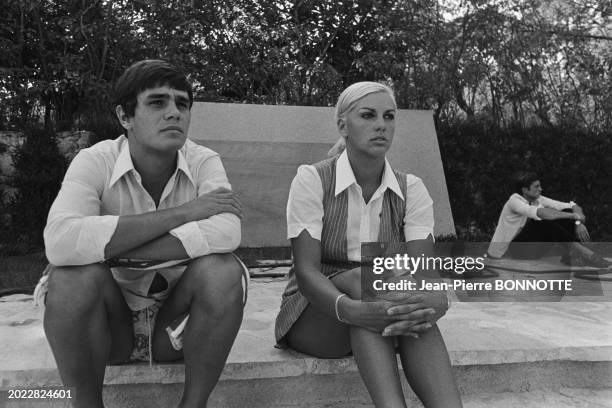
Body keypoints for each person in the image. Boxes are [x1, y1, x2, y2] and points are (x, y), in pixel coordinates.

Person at [41, 60, 247, 408]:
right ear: (125, 117)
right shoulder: (94, 160)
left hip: (177, 323)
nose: (174, 113)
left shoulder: (204, 159)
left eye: (182, 104)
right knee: (71, 277)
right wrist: (184, 214)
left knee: (223, 271)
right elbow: (60, 241)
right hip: (109, 323)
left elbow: (227, 232)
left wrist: (104, 248)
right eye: (158, 102)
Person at [274, 82, 462, 407]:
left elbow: (421, 275)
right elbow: (306, 273)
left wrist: (433, 300)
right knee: (366, 283)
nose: (381, 125)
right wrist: (351, 308)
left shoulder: (411, 188)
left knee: (400, 305)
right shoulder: (312, 179)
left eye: (389, 117)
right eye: (368, 115)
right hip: (314, 314)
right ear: (342, 125)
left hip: (380, 305)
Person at [487, 171, 610, 268]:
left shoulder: (538, 199)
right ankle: (585, 253)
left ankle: (572, 255)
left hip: (532, 249)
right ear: (525, 190)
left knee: (565, 213)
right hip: (513, 251)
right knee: (544, 219)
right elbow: (540, 213)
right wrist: (574, 216)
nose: (541, 189)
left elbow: (572, 206)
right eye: (536, 187)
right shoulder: (514, 202)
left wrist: (577, 221)